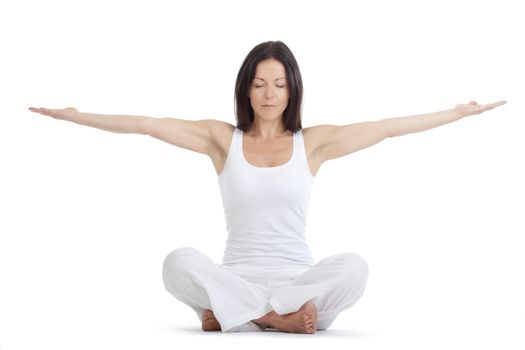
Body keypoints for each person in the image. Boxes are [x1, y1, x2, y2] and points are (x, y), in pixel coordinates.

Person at [28, 40, 506, 334]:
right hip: (234, 275)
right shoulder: (222, 140)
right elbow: (147, 124)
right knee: (176, 261)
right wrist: (78, 117)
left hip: (301, 286)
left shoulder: (313, 144)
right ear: (246, 90)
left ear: (293, 88)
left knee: (354, 267)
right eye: (260, 84)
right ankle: (267, 318)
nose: (270, 94)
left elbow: (386, 127)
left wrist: (455, 114)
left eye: (279, 83)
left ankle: (237, 314)